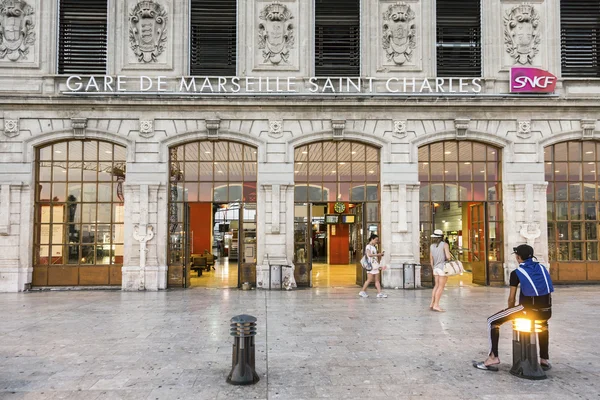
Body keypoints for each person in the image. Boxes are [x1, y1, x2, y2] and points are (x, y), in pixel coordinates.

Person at [473, 244, 554, 371]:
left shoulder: (516, 273)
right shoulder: (543, 268)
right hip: (547, 311)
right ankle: (544, 359)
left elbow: (511, 298)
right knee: (543, 325)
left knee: (492, 321)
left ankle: (493, 357)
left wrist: (510, 311)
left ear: (518, 257)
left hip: (528, 311)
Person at [429, 229, 452, 312]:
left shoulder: (431, 246)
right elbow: (448, 257)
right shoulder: (444, 245)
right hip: (443, 268)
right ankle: (436, 305)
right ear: (441, 237)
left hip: (435, 268)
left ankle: (432, 303)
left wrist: (433, 268)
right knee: (441, 287)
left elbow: (431, 259)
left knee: (436, 286)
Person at [359, 234, 387, 298]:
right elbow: (369, 254)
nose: (376, 241)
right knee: (369, 279)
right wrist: (378, 254)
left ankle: (379, 293)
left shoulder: (374, 247)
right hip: (371, 266)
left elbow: (374, 256)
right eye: (376, 240)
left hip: (375, 265)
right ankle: (362, 291)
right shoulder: (368, 246)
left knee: (377, 280)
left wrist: (379, 256)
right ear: (372, 239)